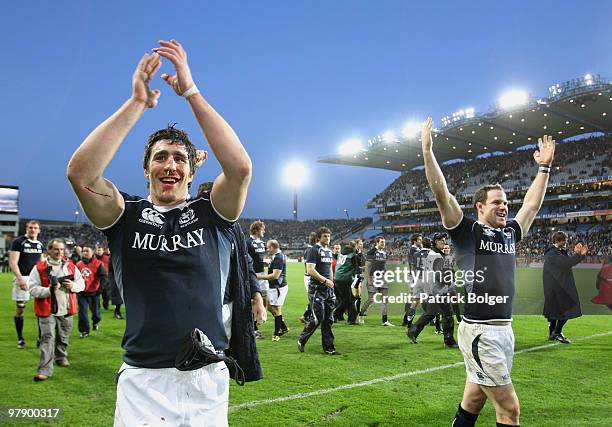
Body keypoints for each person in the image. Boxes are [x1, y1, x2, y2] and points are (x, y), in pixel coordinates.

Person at [66, 39, 265, 426]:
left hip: (206, 375)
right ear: (146, 170)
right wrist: (137, 103)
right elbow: (81, 174)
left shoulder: (214, 212)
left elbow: (240, 168)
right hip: (144, 380)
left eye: (179, 158)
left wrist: (190, 91)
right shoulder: (125, 216)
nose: (170, 164)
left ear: (192, 170)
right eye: (160, 157)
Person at [421, 116, 555, 427]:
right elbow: (443, 194)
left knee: (473, 401)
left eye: (506, 202)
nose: (504, 207)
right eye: (497, 202)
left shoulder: (510, 232)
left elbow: (531, 207)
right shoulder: (466, 232)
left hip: (504, 330)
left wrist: (544, 169)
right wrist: (428, 152)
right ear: (480, 206)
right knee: (509, 411)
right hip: (481, 331)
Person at [28, 238, 85, 381]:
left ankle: (61, 356)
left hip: (66, 307)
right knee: (47, 338)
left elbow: (81, 284)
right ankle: (44, 370)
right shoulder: (39, 267)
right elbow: (32, 288)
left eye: (61, 249)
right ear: (49, 251)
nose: (59, 252)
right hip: (46, 309)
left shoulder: (71, 266)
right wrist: (49, 290)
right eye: (56, 249)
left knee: (63, 336)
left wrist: (73, 285)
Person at [406, 232, 458, 348]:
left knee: (430, 313)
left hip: (433, 289)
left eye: (444, 239)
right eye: (440, 240)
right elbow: (439, 275)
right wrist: (448, 280)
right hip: (438, 289)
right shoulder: (437, 256)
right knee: (448, 314)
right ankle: (449, 341)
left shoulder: (432, 254)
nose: (444, 241)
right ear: (435, 241)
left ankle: (413, 331)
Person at [297, 227, 341, 355]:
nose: (327, 238)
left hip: (328, 289)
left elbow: (330, 270)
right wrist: (324, 281)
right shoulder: (313, 250)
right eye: (325, 236)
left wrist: (331, 282)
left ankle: (329, 347)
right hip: (317, 289)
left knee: (329, 319)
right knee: (318, 318)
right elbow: (310, 270)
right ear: (318, 237)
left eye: (328, 236)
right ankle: (302, 339)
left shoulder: (328, 251)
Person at [542, 231, 587, 343]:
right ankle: (557, 332)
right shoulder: (553, 253)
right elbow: (567, 263)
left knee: (554, 311)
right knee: (568, 308)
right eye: (564, 240)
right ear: (557, 241)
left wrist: (579, 255)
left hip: (555, 287)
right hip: (558, 287)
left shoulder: (555, 252)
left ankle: (553, 334)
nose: (566, 242)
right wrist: (578, 254)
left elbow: (567, 262)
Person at [9, 219, 44, 349]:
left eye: (35, 228)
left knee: (41, 309)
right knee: (20, 309)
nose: (33, 230)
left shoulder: (40, 244)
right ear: (26, 228)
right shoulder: (18, 242)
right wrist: (20, 279)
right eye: (30, 227)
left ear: (39, 230)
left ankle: (40, 338)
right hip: (22, 278)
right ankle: (20, 339)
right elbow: (13, 262)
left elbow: (41, 264)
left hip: (37, 280)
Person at [257, 240, 289, 341]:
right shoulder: (276, 257)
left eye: (268, 247)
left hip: (278, 287)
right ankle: (283, 327)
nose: (267, 250)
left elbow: (275, 276)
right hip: (274, 287)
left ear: (273, 247)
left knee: (276, 309)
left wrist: (260, 277)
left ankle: (277, 334)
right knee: (270, 308)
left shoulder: (279, 258)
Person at [76, 244, 108, 338]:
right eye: (83, 251)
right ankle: (84, 331)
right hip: (82, 293)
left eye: (87, 251)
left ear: (92, 252)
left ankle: (95, 322)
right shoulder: (78, 264)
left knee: (96, 314)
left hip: (94, 293)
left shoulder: (98, 264)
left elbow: (103, 277)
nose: (85, 253)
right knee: (83, 313)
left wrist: (100, 289)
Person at [360, 236, 393, 326]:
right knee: (371, 299)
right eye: (382, 242)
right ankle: (361, 314)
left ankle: (385, 320)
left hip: (382, 278)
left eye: (384, 242)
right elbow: (367, 267)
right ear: (377, 243)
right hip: (373, 278)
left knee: (384, 299)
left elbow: (382, 266)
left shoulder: (384, 253)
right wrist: (369, 280)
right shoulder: (372, 252)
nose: (383, 244)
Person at [247, 220, 267, 339]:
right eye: (262, 229)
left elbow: (258, 258)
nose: (264, 231)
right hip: (253, 275)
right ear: (257, 229)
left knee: (262, 300)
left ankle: (255, 324)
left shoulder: (262, 242)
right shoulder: (248, 242)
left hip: (262, 274)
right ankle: (252, 329)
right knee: (253, 302)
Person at [402, 233, 423, 326]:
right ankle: (406, 319)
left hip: (416, 275)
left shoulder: (416, 250)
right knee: (414, 298)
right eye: (419, 239)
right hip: (414, 275)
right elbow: (412, 265)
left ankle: (406, 319)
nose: (421, 241)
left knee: (414, 298)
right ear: (415, 241)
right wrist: (414, 278)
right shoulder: (413, 250)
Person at [299, 232, 317, 323]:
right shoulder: (312, 250)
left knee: (314, 297)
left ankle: (306, 315)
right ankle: (311, 317)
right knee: (314, 298)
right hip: (310, 277)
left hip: (308, 276)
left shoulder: (307, 249)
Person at [95, 245, 111, 310]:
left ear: (103, 251)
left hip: (105, 279)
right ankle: (96, 306)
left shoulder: (107, 258)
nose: (99, 252)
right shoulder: (93, 258)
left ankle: (105, 304)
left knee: (106, 294)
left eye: (100, 250)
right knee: (95, 294)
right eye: (97, 250)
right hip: (96, 279)